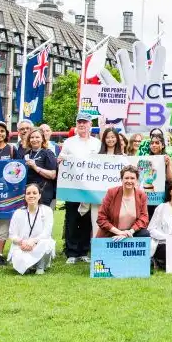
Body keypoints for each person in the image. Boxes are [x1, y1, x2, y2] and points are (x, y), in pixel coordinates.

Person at [58, 113, 101, 264]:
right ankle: (71, 252)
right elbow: (61, 159)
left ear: (90, 125)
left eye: (85, 122)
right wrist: (61, 159)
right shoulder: (69, 142)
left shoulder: (97, 143)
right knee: (71, 219)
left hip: (90, 188)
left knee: (86, 220)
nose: (82, 125)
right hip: (72, 187)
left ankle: (83, 251)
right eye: (79, 122)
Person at [7, 183, 56, 275]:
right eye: (28, 193)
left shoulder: (47, 211)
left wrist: (33, 241)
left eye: (34, 193)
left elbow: (47, 232)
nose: (31, 196)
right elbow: (12, 234)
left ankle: (40, 266)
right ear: (25, 196)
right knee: (22, 265)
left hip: (39, 243)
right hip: (22, 245)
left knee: (47, 242)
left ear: (39, 195)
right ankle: (27, 266)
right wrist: (22, 242)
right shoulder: (18, 213)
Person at [97, 165, 150, 240]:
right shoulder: (111, 193)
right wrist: (119, 232)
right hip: (112, 233)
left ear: (137, 180)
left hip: (131, 233)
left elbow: (144, 218)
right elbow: (101, 218)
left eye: (132, 178)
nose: (129, 181)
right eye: (126, 178)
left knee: (145, 233)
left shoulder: (142, 195)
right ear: (121, 179)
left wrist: (130, 232)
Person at [144, 129, 172, 218]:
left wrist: (169, 164)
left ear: (162, 145)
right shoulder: (146, 159)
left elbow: (171, 180)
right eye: (152, 143)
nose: (154, 145)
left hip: (162, 195)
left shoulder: (167, 158)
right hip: (149, 196)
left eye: (157, 143)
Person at [22, 128, 58, 206]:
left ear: (42, 139)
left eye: (37, 137)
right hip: (28, 192)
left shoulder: (48, 153)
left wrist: (35, 167)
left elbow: (52, 175)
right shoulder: (26, 153)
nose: (34, 139)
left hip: (43, 192)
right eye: (32, 137)